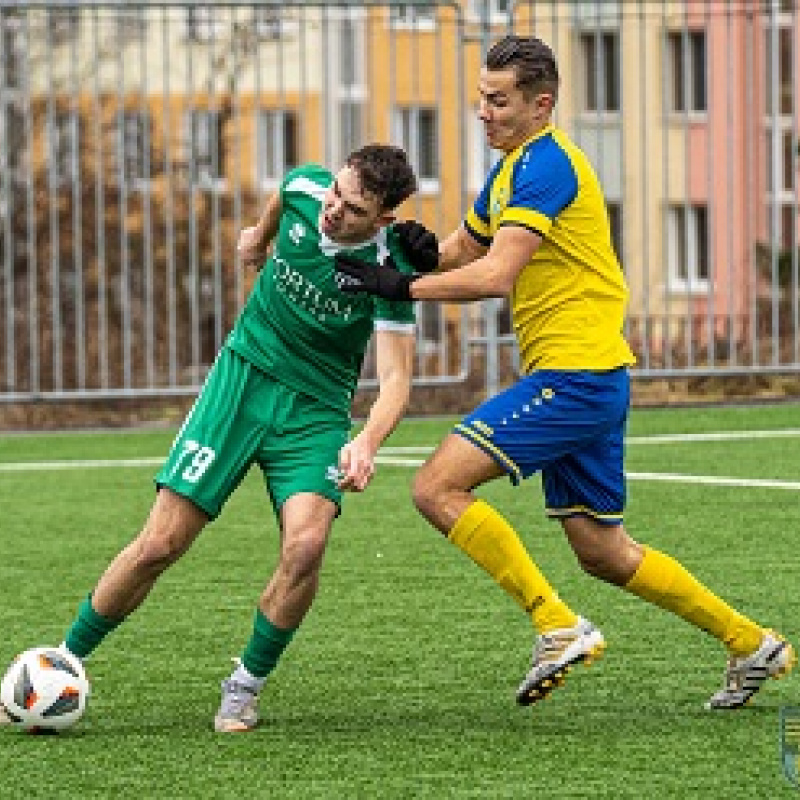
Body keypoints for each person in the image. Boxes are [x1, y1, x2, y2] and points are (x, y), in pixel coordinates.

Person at [334, 35, 795, 710]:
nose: (483, 113)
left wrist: (397, 288)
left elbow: (495, 274)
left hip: (575, 377)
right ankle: (752, 643)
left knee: (436, 487)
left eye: (498, 101)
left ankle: (556, 624)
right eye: (480, 99)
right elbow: (466, 248)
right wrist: (421, 251)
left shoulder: (547, 167)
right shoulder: (514, 166)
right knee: (603, 552)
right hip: (592, 378)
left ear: (540, 103)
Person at [0, 144, 439, 733]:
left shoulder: (391, 272)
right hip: (240, 383)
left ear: (383, 219)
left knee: (306, 548)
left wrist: (366, 442)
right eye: (336, 191)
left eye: (354, 208)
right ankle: (64, 657)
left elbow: (396, 381)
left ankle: (244, 686)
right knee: (160, 544)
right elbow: (286, 195)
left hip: (314, 412)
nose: (334, 209)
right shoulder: (308, 191)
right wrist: (258, 238)